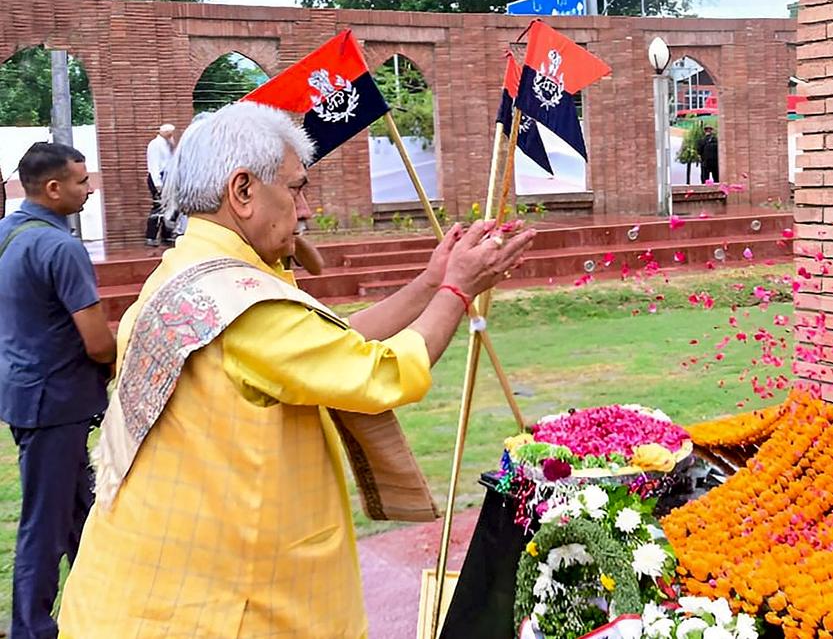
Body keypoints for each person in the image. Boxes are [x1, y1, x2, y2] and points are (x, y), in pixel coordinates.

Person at [57, 102, 535, 637]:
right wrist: (457, 290)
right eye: (295, 188)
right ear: (242, 192)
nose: (305, 209)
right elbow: (379, 373)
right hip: (210, 610)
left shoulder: (192, 272)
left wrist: (430, 283)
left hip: (146, 589)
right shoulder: (240, 304)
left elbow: (331, 340)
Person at [0, 142, 116, 639]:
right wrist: (126, 358)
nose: (88, 190)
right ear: (53, 188)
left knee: (80, 518)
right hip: (57, 404)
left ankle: (106, 606)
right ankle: (31, 628)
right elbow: (96, 343)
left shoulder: (7, 234)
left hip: (26, 395)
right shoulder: (62, 248)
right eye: (80, 181)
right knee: (45, 525)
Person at [144, 122, 176, 246]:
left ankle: (166, 235)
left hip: (167, 177)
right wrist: (158, 184)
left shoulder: (167, 144)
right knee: (158, 206)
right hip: (158, 178)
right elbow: (154, 165)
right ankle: (151, 235)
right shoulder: (155, 144)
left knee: (170, 207)